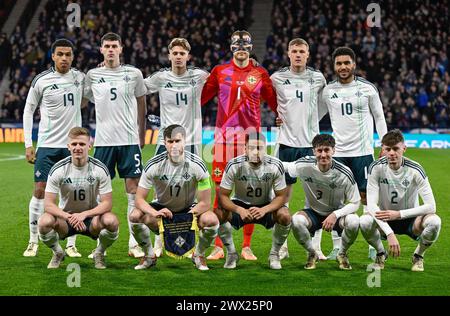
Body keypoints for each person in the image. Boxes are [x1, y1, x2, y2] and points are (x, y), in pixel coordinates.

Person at [201, 30, 278, 261]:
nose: (241, 47)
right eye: (237, 43)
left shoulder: (260, 72)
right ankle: (217, 245)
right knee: (219, 193)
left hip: (251, 141)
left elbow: (274, 101)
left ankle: (246, 246)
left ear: (251, 47)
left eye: (245, 43)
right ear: (231, 46)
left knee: (251, 193)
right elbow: (200, 98)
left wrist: (280, 116)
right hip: (224, 141)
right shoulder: (218, 71)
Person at [320, 47, 387, 260]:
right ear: (334, 66)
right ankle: (338, 247)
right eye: (339, 64)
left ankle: (371, 244)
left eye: (346, 63)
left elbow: (379, 117)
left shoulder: (367, 88)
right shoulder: (328, 90)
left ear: (354, 64)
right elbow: (315, 115)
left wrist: (384, 144)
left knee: (369, 199)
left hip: (363, 152)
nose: (343, 67)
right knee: (336, 200)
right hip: (338, 154)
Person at [83, 32, 147, 258]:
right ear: (101, 50)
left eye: (114, 46)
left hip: (129, 142)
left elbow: (142, 103)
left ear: (121, 49)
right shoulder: (92, 75)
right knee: (101, 194)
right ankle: (101, 246)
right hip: (103, 143)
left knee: (133, 191)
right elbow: (84, 101)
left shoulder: (134, 74)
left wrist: (142, 133)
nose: (110, 50)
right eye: (107, 46)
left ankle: (133, 243)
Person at [144, 38, 209, 257]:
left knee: (192, 191)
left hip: (191, 142)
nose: (179, 56)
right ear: (169, 55)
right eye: (175, 53)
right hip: (166, 141)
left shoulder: (199, 76)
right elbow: (136, 88)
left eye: (183, 53)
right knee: (159, 190)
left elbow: (224, 80)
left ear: (188, 56)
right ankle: (159, 240)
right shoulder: (161, 78)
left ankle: (191, 239)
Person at [22, 38, 84, 258]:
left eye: (68, 54)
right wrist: (29, 144)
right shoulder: (42, 80)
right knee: (39, 191)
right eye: (60, 54)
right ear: (53, 56)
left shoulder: (80, 78)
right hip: (47, 146)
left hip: (72, 147)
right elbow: (28, 111)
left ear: (73, 57)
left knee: (73, 194)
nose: (64, 58)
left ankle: (70, 244)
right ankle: (32, 241)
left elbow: (89, 99)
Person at [130, 124, 219, 270]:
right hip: (161, 210)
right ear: (164, 143)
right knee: (134, 216)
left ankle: (199, 255)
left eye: (177, 141)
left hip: (189, 210)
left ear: (185, 141)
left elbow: (205, 202)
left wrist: (185, 218)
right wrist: (155, 213)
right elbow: (139, 199)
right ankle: (149, 256)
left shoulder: (197, 165)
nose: (174, 145)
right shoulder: (154, 165)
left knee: (211, 220)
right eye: (170, 141)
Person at [271, 38, 327, 260]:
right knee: (282, 198)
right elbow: (267, 98)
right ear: (288, 53)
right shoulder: (277, 78)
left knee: (317, 199)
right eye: (294, 51)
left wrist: (312, 120)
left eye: (301, 51)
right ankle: (282, 246)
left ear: (308, 54)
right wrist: (275, 115)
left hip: (310, 146)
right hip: (286, 144)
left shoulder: (318, 77)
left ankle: (316, 246)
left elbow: (324, 104)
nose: (297, 54)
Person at [38, 127, 119, 269]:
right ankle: (58, 253)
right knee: (44, 222)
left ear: (89, 145)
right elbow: (48, 205)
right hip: (66, 219)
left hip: (91, 220)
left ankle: (99, 253)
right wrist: (69, 217)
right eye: (74, 144)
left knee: (111, 221)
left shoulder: (100, 169)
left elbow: (107, 204)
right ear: (68, 146)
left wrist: (84, 214)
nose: (77, 148)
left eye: (82, 144)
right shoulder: (58, 169)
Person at [360, 129, 441, 271]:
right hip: (385, 218)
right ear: (383, 149)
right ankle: (381, 253)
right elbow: (371, 204)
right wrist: (389, 233)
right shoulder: (376, 167)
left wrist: (399, 214)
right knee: (364, 221)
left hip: (411, 220)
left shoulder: (415, 170)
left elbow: (431, 206)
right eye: (388, 149)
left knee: (435, 222)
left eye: (396, 149)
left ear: (404, 148)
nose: (391, 153)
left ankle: (418, 255)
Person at [217, 131, 291, 270]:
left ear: (265, 149)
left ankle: (274, 254)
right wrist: (239, 210)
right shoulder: (234, 165)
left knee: (285, 215)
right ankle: (232, 253)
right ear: (244, 148)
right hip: (241, 204)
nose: (256, 152)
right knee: (219, 214)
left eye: (260, 148)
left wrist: (265, 209)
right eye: (251, 148)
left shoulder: (275, 165)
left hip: (266, 205)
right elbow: (223, 196)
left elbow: (282, 196)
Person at [287, 134, 360, 270]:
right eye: (319, 151)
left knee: (354, 221)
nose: (323, 155)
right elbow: (284, 166)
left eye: (327, 150)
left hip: (336, 214)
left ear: (333, 150)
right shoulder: (304, 165)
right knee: (296, 221)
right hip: (313, 213)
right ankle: (312, 253)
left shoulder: (344, 173)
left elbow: (356, 203)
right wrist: (262, 160)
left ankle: (342, 253)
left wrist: (335, 215)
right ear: (314, 151)